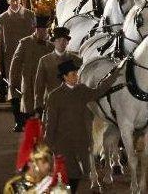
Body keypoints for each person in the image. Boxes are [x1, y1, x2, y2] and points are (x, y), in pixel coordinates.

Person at [43, 58, 127, 193]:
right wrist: (48, 144)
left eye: (76, 74)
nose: (76, 77)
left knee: (75, 174)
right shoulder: (54, 96)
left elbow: (98, 91)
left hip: (81, 139)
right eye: (72, 74)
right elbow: (51, 122)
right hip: (63, 142)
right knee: (69, 174)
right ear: (64, 77)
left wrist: (113, 76)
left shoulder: (82, 89)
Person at [0, 0, 34, 127]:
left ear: (20, 0)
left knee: (28, 88)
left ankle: (27, 118)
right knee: (13, 88)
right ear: (8, 2)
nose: (15, 2)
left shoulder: (30, 15)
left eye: (16, 0)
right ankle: (18, 120)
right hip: (10, 57)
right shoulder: (2, 19)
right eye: (12, 0)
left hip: (28, 57)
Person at [9, 14, 53, 127]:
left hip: (46, 87)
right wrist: (13, 83)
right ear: (36, 29)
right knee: (31, 115)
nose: (44, 32)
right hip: (30, 85)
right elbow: (15, 64)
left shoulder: (51, 46)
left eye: (45, 30)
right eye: (41, 30)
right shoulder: (25, 43)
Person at [34, 27, 82, 114]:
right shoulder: (45, 60)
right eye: (58, 40)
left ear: (67, 42)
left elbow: (81, 83)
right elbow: (39, 85)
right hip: (51, 104)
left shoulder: (77, 60)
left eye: (64, 40)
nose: (61, 43)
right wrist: (38, 106)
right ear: (54, 42)